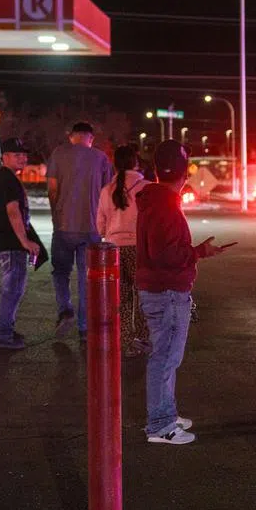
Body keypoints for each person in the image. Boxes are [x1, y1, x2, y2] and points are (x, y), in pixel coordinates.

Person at [136, 140, 232, 445]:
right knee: (165, 357)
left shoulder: (154, 199)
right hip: (167, 291)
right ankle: (160, 425)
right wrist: (197, 253)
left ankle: (165, 412)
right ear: (184, 173)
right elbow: (165, 254)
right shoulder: (165, 204)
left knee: (165, 357)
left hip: (158, 288)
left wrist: (195, 252)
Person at [46, 122, 114, 341]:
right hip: (91, 229)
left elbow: (52, 189)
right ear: (91, 138)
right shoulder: (101, 158)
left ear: (71, 136)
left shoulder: (58, 153)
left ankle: (65, 310)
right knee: (87, 279)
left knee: (60, 272)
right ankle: (85, 328)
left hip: (64, 226)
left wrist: (56, 214)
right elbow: (108, 193)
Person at [0, 137, 46, 350]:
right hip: (11, 243)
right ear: (4, 157)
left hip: (6, 242)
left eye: (24, 155)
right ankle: (2, 335)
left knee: (13, 288)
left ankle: (5, 330)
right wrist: (25, 241)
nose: (23, 158)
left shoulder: (6, 178)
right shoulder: (6, 179)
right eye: (17, 155)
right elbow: (13, 211)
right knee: (12, 289)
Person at [96, 144, 151, 358]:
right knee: (143, 294)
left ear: (115, 165)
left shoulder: (106, 190)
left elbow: (99, 225)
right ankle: (144, 339)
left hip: (113, 250)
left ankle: (125, 341)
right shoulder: (146, 187)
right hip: (140, 248)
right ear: (136, 162)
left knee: (122, 297)